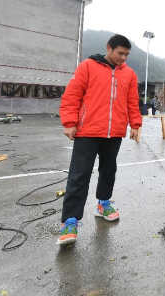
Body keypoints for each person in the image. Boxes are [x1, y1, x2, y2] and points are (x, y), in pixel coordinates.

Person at [57, 34, 142, 246]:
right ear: (109, 48)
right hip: (87, 131)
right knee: (79, 175)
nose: (123, 58)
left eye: (126, 55)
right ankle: (70, 221)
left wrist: (135, 124)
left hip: (114, 133)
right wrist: (69, 122)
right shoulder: (88, 66)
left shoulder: (129, 74)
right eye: (120, 53)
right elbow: (72, 95)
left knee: (108, 170)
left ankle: (103, 204)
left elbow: (132, 101)